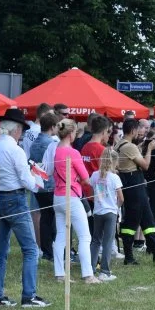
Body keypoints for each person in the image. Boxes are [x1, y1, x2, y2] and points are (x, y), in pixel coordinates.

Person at [0, 109, 50, 308]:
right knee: (30, 249)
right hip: (16, 198)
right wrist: (38, 180)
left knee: (1, 250)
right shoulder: (16, 150)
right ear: (17, 130)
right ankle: (29, 295)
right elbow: (26, 180)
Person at [49, 119, 99, 284]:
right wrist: (79, 179)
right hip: (71, 196)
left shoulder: (56, 150)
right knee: (85, 236)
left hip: (57, 196)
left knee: (61, 236)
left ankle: (60, 274)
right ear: (71, 134)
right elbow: (86, 179)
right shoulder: (73, 153)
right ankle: (88, 275)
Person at [117, 119, 155, 261]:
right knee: (131, 221)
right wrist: (150, 150)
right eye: (139, 129)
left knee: (148, 220)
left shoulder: (120, 144)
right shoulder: (129, 146)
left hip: (134, 183)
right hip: (134, 184)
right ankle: (129, 257)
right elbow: (145, 165)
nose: (141, 132)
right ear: (133, 130)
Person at [89, 149, 123, 282]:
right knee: (108, 242)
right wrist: (117, 207)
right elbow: (121, 197)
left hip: (98, 211)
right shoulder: (115, 177)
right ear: (114, 162)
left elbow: (92, 191)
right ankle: (104, 271)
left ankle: (90, 269)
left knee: (96, 240)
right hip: (110, 211)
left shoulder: (95, 175)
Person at [29, 112, 59, 262]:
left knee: (45, 217)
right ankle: (50, 249)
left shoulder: (34, 142)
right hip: (50, 184)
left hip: (38, 183)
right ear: (53, 127)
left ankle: (46, 249)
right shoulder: (51, 144)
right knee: (50, 218)